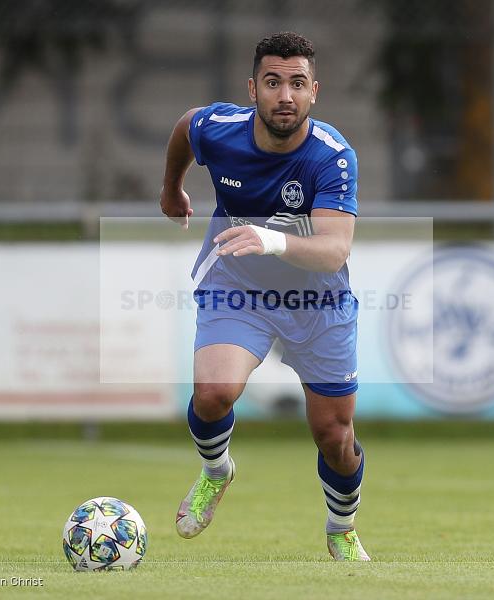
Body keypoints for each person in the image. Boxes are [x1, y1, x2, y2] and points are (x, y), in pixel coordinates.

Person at [159, 32, 368, 561]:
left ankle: (341, 527)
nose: (285, 96)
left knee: (334, 437)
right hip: (239, 287)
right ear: (253, 89)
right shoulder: (220, 129)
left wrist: (271, 239)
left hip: (317, 302)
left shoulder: (333, 157)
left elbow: (334, 250)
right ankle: (216, 471)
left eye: (297, 83)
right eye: (273, 83)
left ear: (314, 91)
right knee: (212, 393)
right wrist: (171, 188)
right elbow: (186, 126)